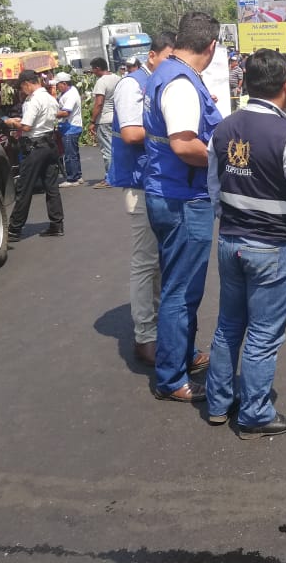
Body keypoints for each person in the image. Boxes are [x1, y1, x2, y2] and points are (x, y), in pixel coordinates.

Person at [204, 49, 286, 439]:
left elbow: (213, 190)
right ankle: (254, 412)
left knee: (228, 326)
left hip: (231, 241)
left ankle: (219, 403)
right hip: (271, 247)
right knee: (263, 334)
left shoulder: (222, 130)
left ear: (245, 84)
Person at [143, 11, 223, 404]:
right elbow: (183, 143)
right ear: (211, 47)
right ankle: (172, 377)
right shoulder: (180, 83)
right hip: (183, 198)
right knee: (181, 290)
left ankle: (183, 355)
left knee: (183, 284)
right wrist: (223, 158)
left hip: (170, 192)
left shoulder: (167, 72)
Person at [107, 31, 173, 366]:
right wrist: (175, 124)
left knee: (160, 263)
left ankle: (160, 329)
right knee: (146, 262)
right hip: (141, 184)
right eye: (168, 58)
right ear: (152, 56)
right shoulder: (133, 85)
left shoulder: (158, 83)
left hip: (161, 183)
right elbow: (132, 133)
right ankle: (145, 336)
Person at [5, 69, 65, 241]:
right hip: (49, 144)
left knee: (24, 188)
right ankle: (57, 224)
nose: (22, 92)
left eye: (22, 88)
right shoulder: (49, 98)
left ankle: (14, 229)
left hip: (35, 147)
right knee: (51, 186)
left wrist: (11, 122)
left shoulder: (34, 100)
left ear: (27, 84)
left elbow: (26, 127)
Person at [89, 57, 120, 188]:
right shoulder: (117, 78)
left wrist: (92, 121)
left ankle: (110, 178)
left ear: (97, 68)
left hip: (104, 119)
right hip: (116, 118)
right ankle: (117, 176)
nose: (92, 72)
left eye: (93, 69)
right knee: (116, 148)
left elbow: (99, 103)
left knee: (107, 149)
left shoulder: (101, 82)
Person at [54, 71, 84, 186]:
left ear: (64, 83)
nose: (57, 87)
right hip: (69, 127)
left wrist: (51, 114)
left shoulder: (70, 95)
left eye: (58, 85)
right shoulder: (67, 92)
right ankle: (78, 175)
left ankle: (72, 179)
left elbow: (66, 112)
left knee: (69, 154)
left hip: (70, 128)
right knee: (73, 153)